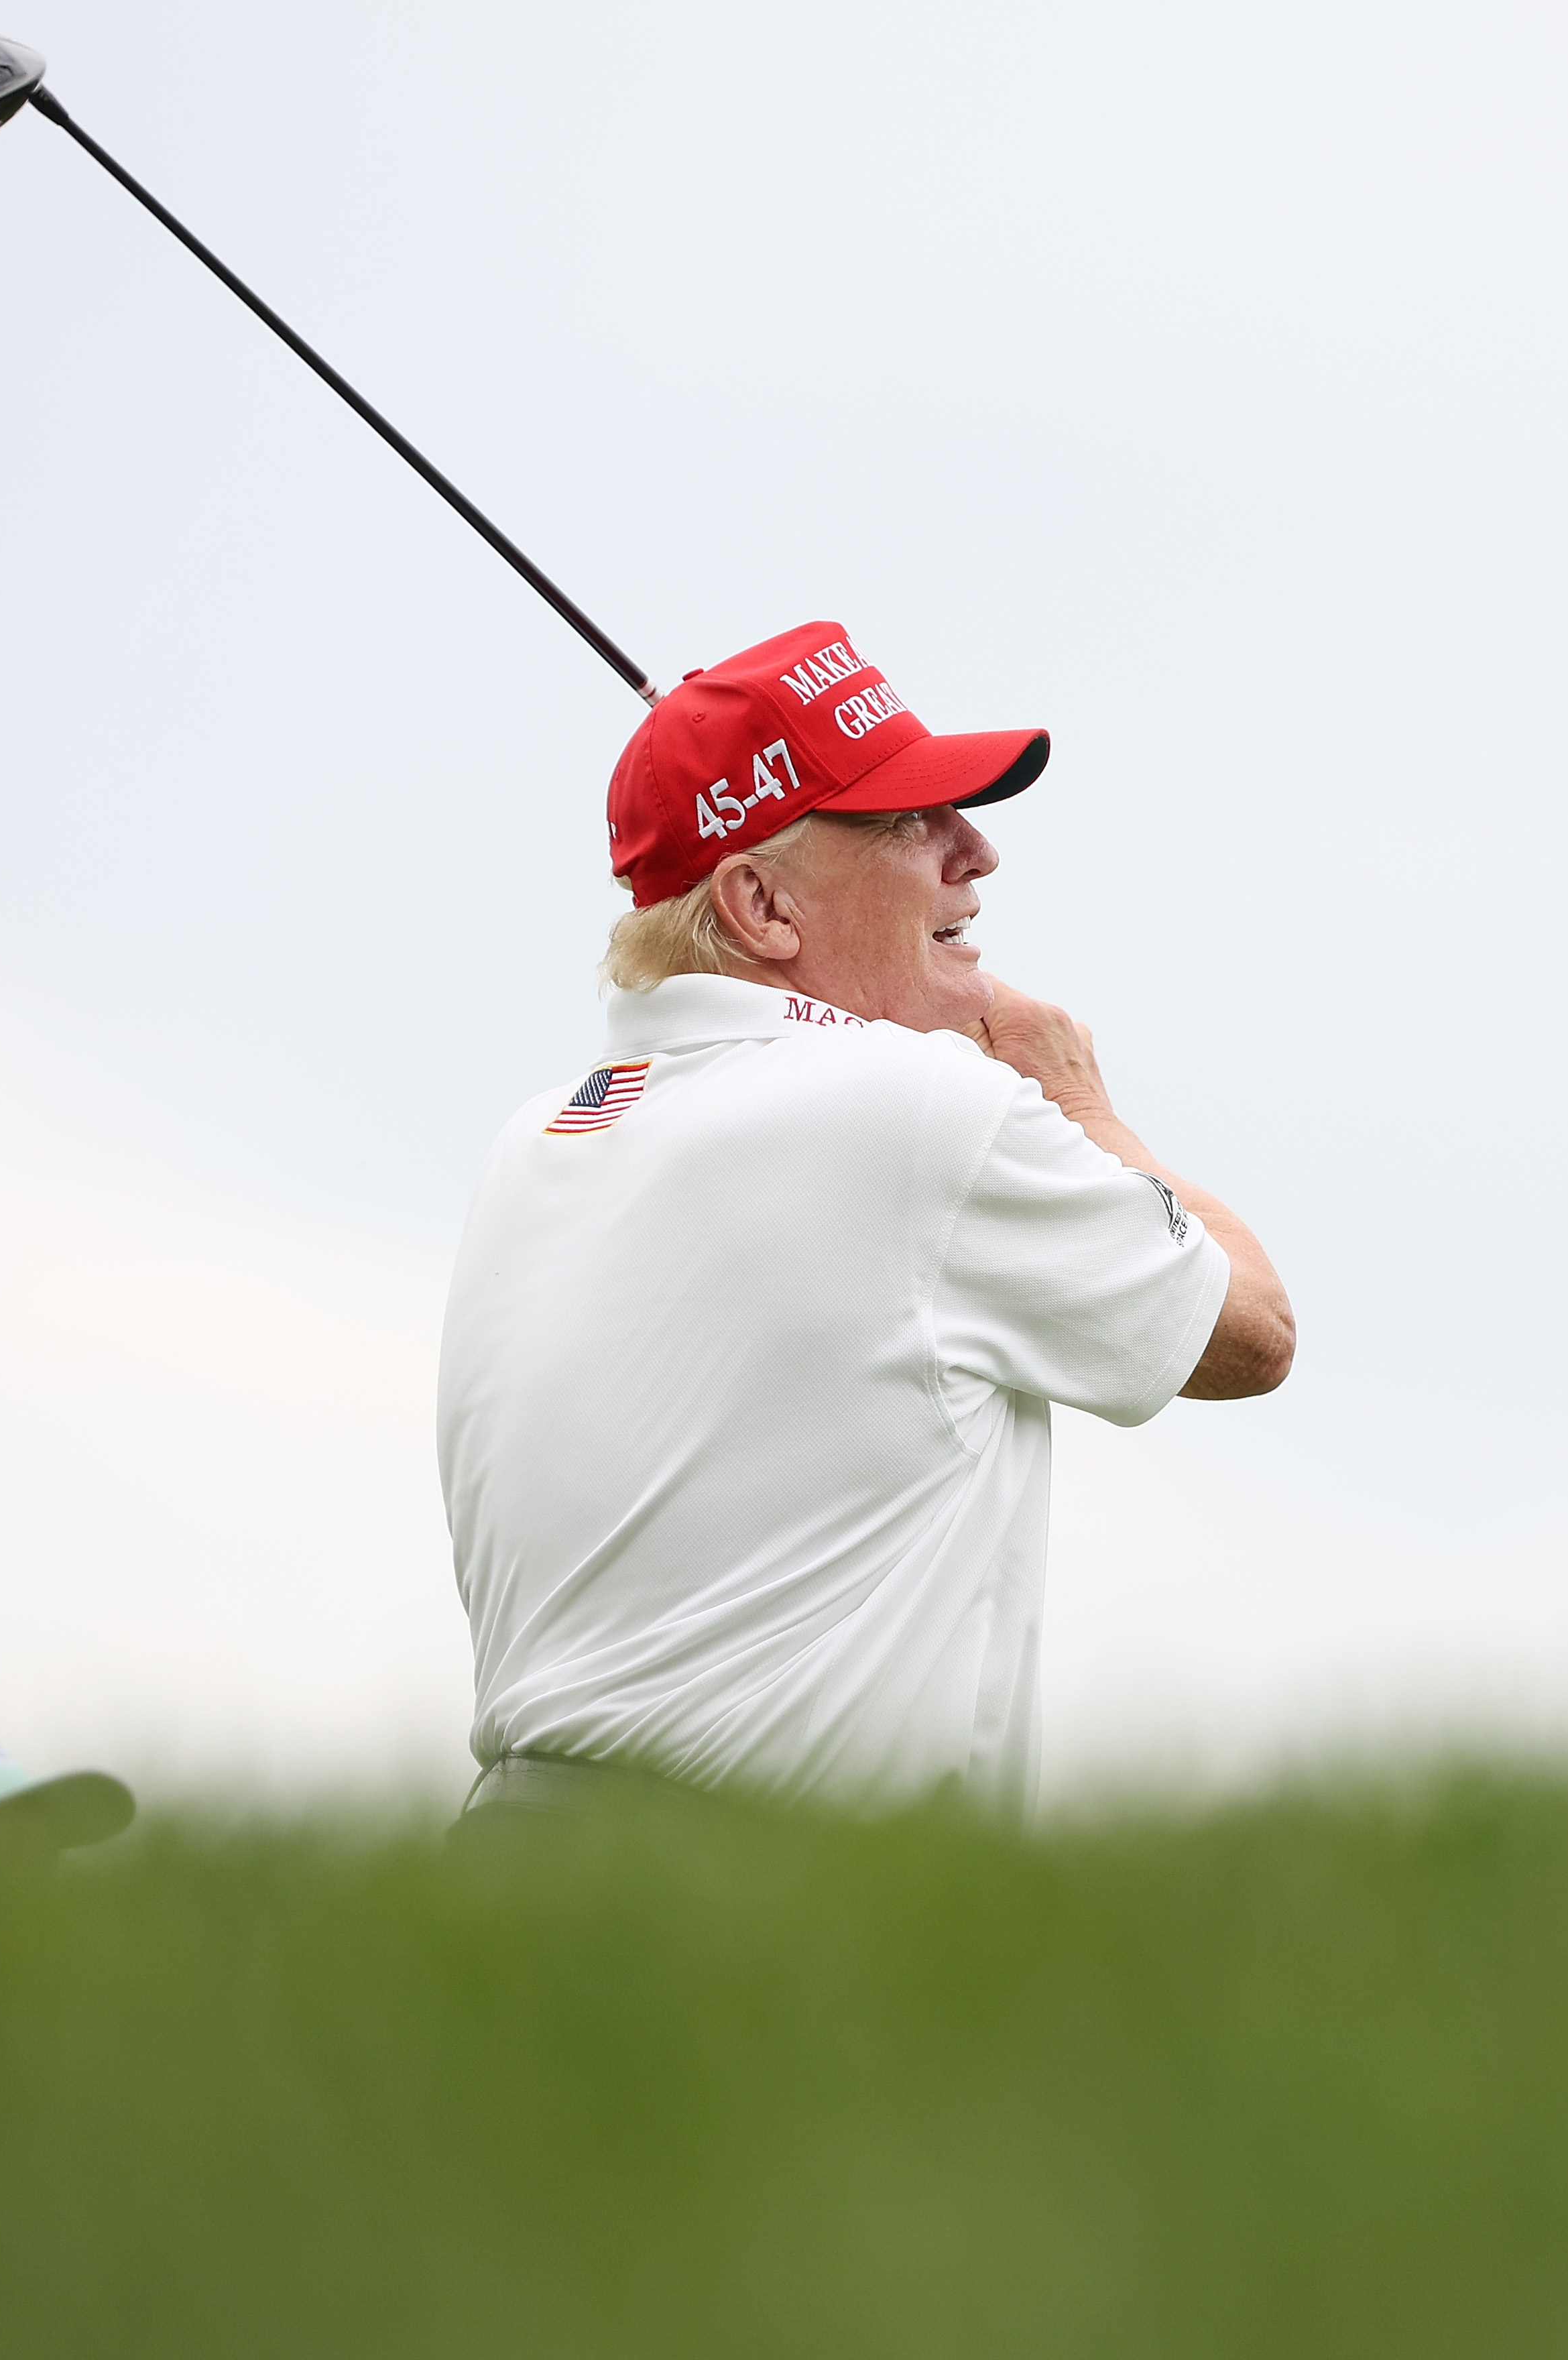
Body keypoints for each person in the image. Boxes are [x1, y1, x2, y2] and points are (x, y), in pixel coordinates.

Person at [436, 623, 1292, 1834]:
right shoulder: (918, 1107)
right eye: (908, 823)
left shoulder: (533, 1141)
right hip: (753, 1917)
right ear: (761, 904)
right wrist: (1084, 1102)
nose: (977, 854)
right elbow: (1250, 1332)